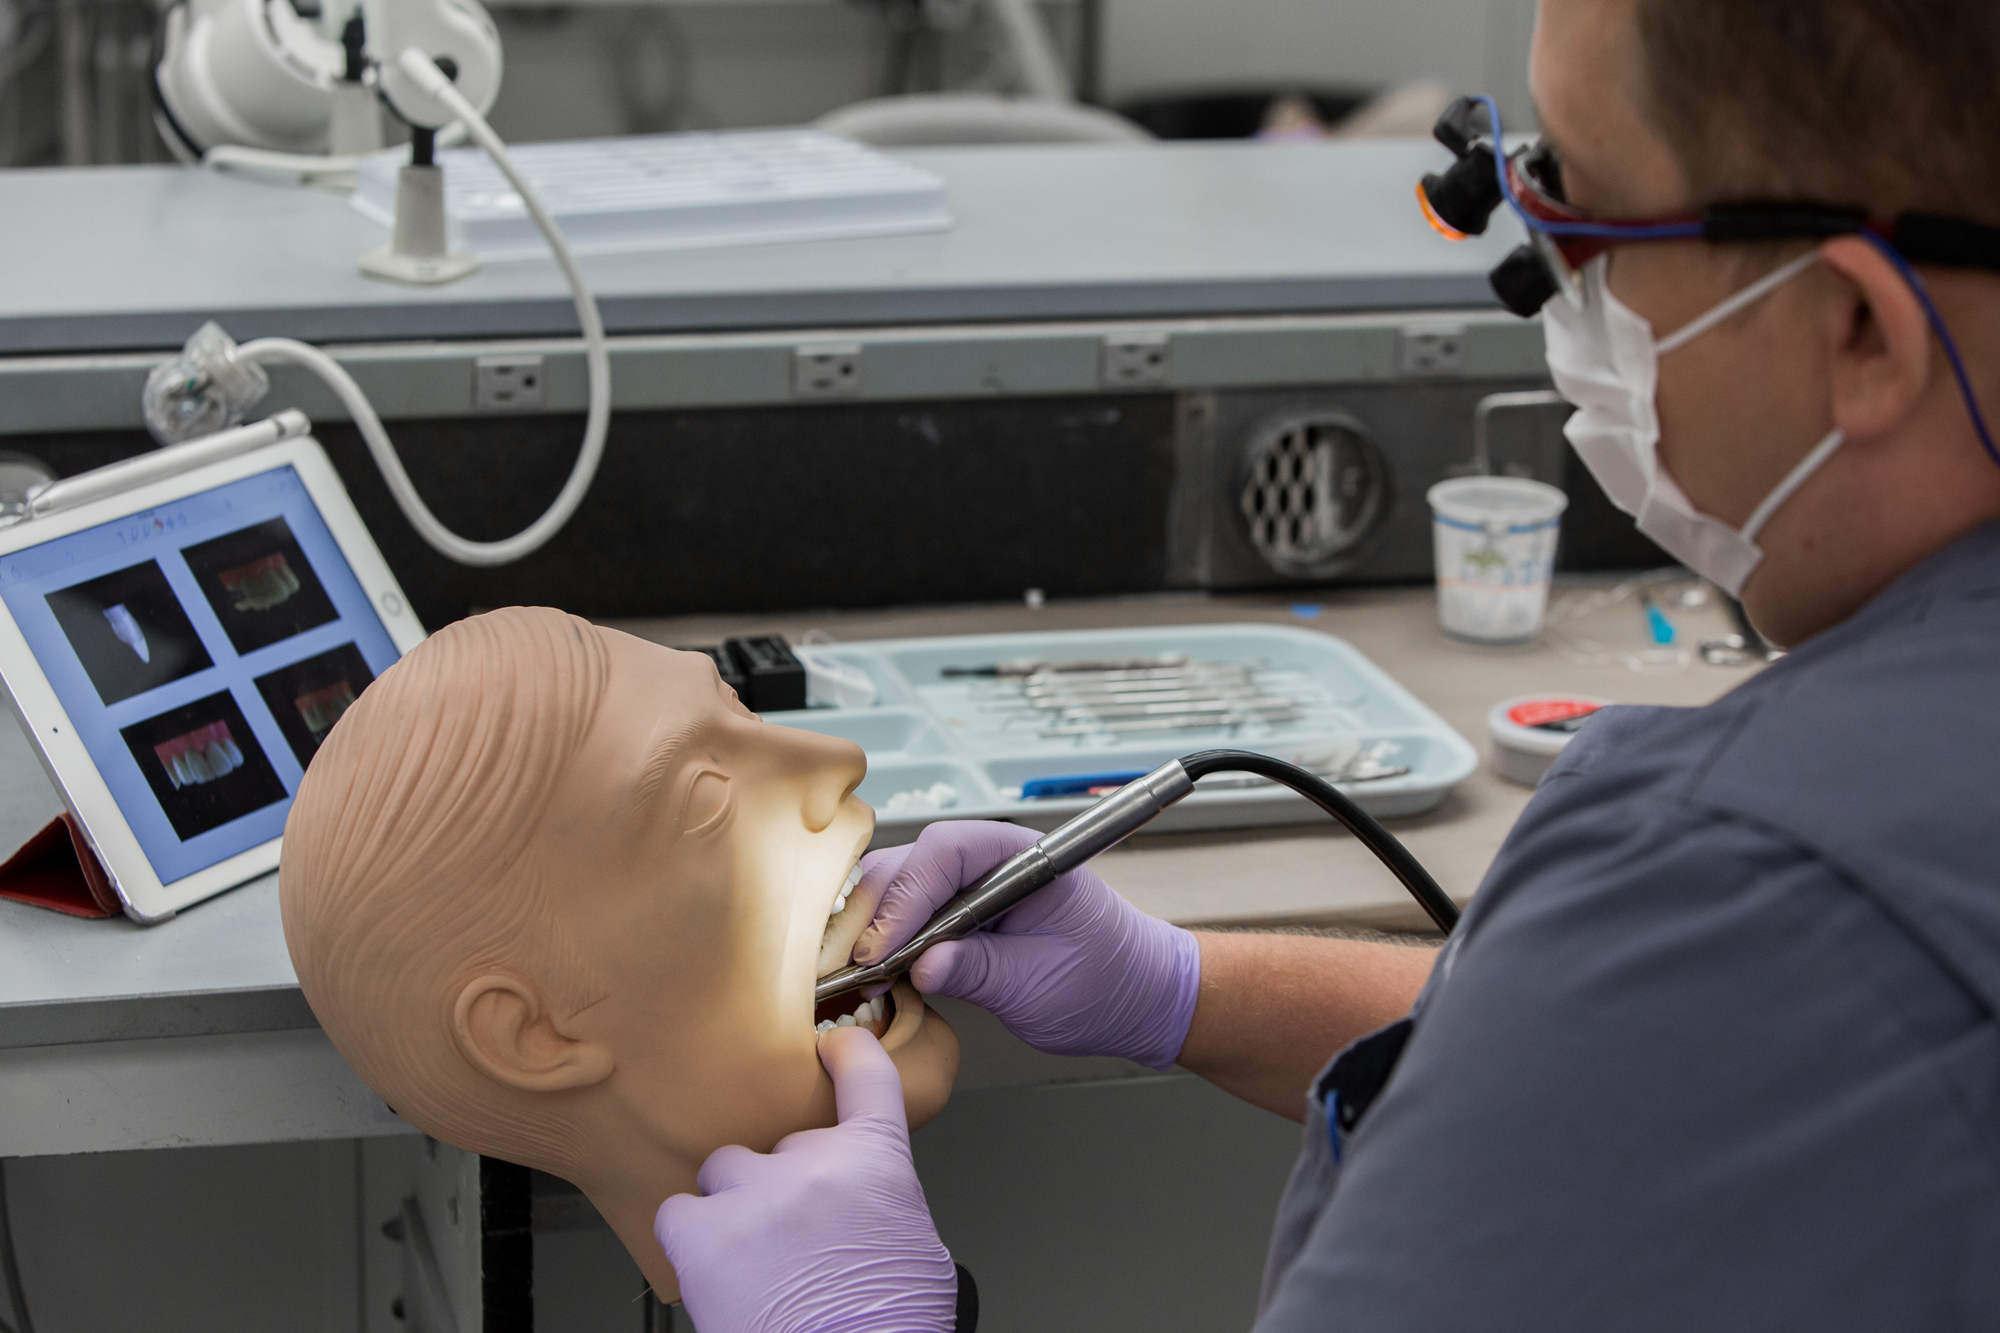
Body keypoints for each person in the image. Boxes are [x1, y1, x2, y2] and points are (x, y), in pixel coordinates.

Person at [653, 0, 2000, 1327]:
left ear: (1859, 331)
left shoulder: (1739, 884)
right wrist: (1186, 987)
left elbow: (1699, 1016)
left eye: (1577, 221)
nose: (1553, 287)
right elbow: (1699, 1061)